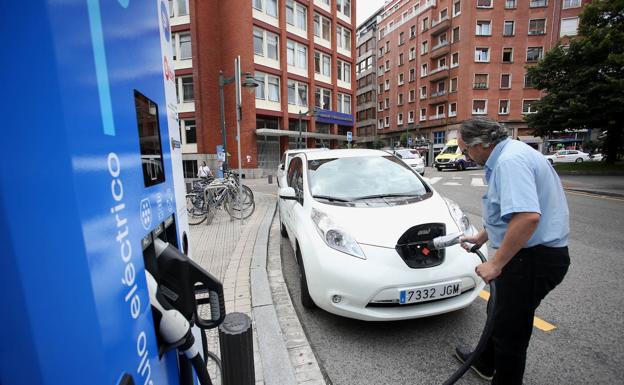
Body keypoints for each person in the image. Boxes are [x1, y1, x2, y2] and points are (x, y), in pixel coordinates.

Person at [455, 118, 570, 385]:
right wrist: (481, 237)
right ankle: (484, 361)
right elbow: (506, 212)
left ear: (482, 144)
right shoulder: (510, 154)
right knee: (498, 310)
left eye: (465, 150)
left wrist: (495, 264)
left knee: (511, 330)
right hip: (528, 255)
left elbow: (527, 217)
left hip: (531, 259)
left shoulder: (509, 163)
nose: (466, 156)